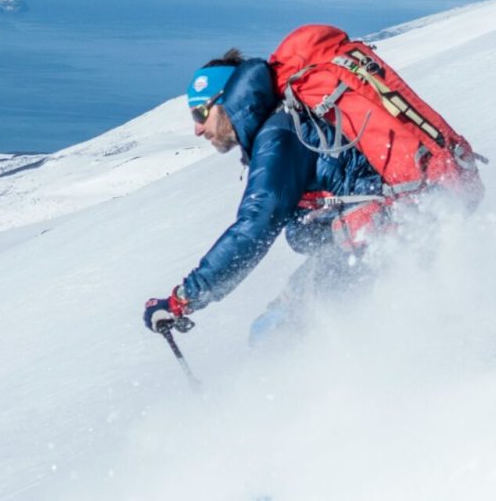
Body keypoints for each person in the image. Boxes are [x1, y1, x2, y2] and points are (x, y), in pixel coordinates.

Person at [142, 47, 385, 344]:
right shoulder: (284, 127)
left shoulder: (278, 137)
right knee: (274, 324)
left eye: (200, 113)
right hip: (368, 238)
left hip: (379, 239)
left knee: (277, 336)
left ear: (226, 102)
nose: (197, 129)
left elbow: (254, 227)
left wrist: (183, 299)